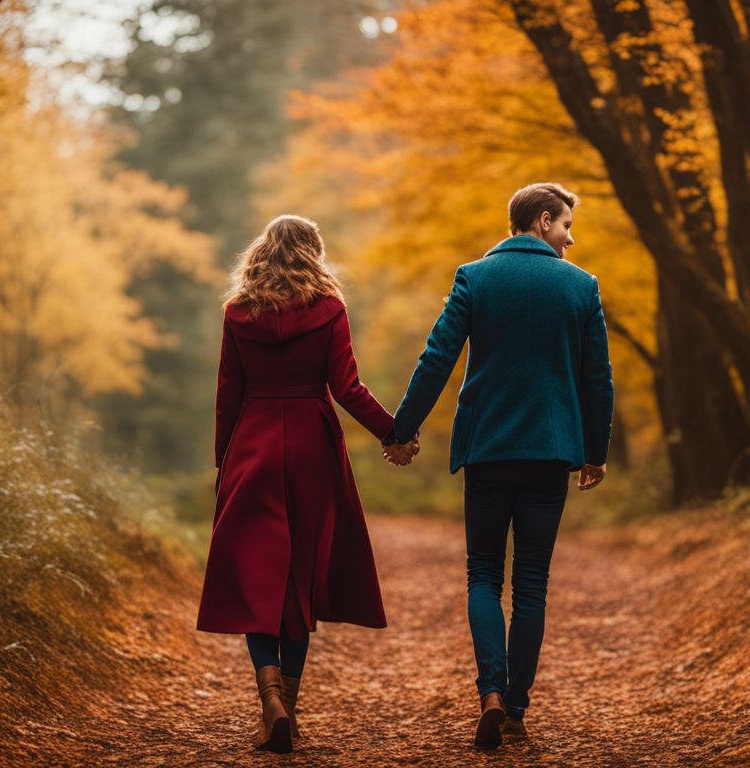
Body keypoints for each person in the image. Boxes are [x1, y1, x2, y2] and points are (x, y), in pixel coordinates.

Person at [383, 182, 613, 749]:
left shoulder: (474, 277)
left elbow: (436, 357)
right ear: (541, 221)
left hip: (487, 448)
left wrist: (401, 430)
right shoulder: (581, 286)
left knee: (483, 574)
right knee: (531, 582)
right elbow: (596, 379)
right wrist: (594, 451)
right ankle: (514, 710)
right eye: (565, 226)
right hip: (552, 450)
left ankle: (489, 691)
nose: (570, 237)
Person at [195, 214, 407, 754]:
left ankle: (269, 700)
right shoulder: (329, 309)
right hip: (312, 447)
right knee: (300, 575)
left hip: (254, 447)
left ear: (262, 252)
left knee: (256, 576)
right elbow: (348, 387)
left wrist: (224, 463)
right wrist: (395, 432)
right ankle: (286, 703)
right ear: (313, 252)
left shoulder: (238, 312)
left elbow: (228, 393)